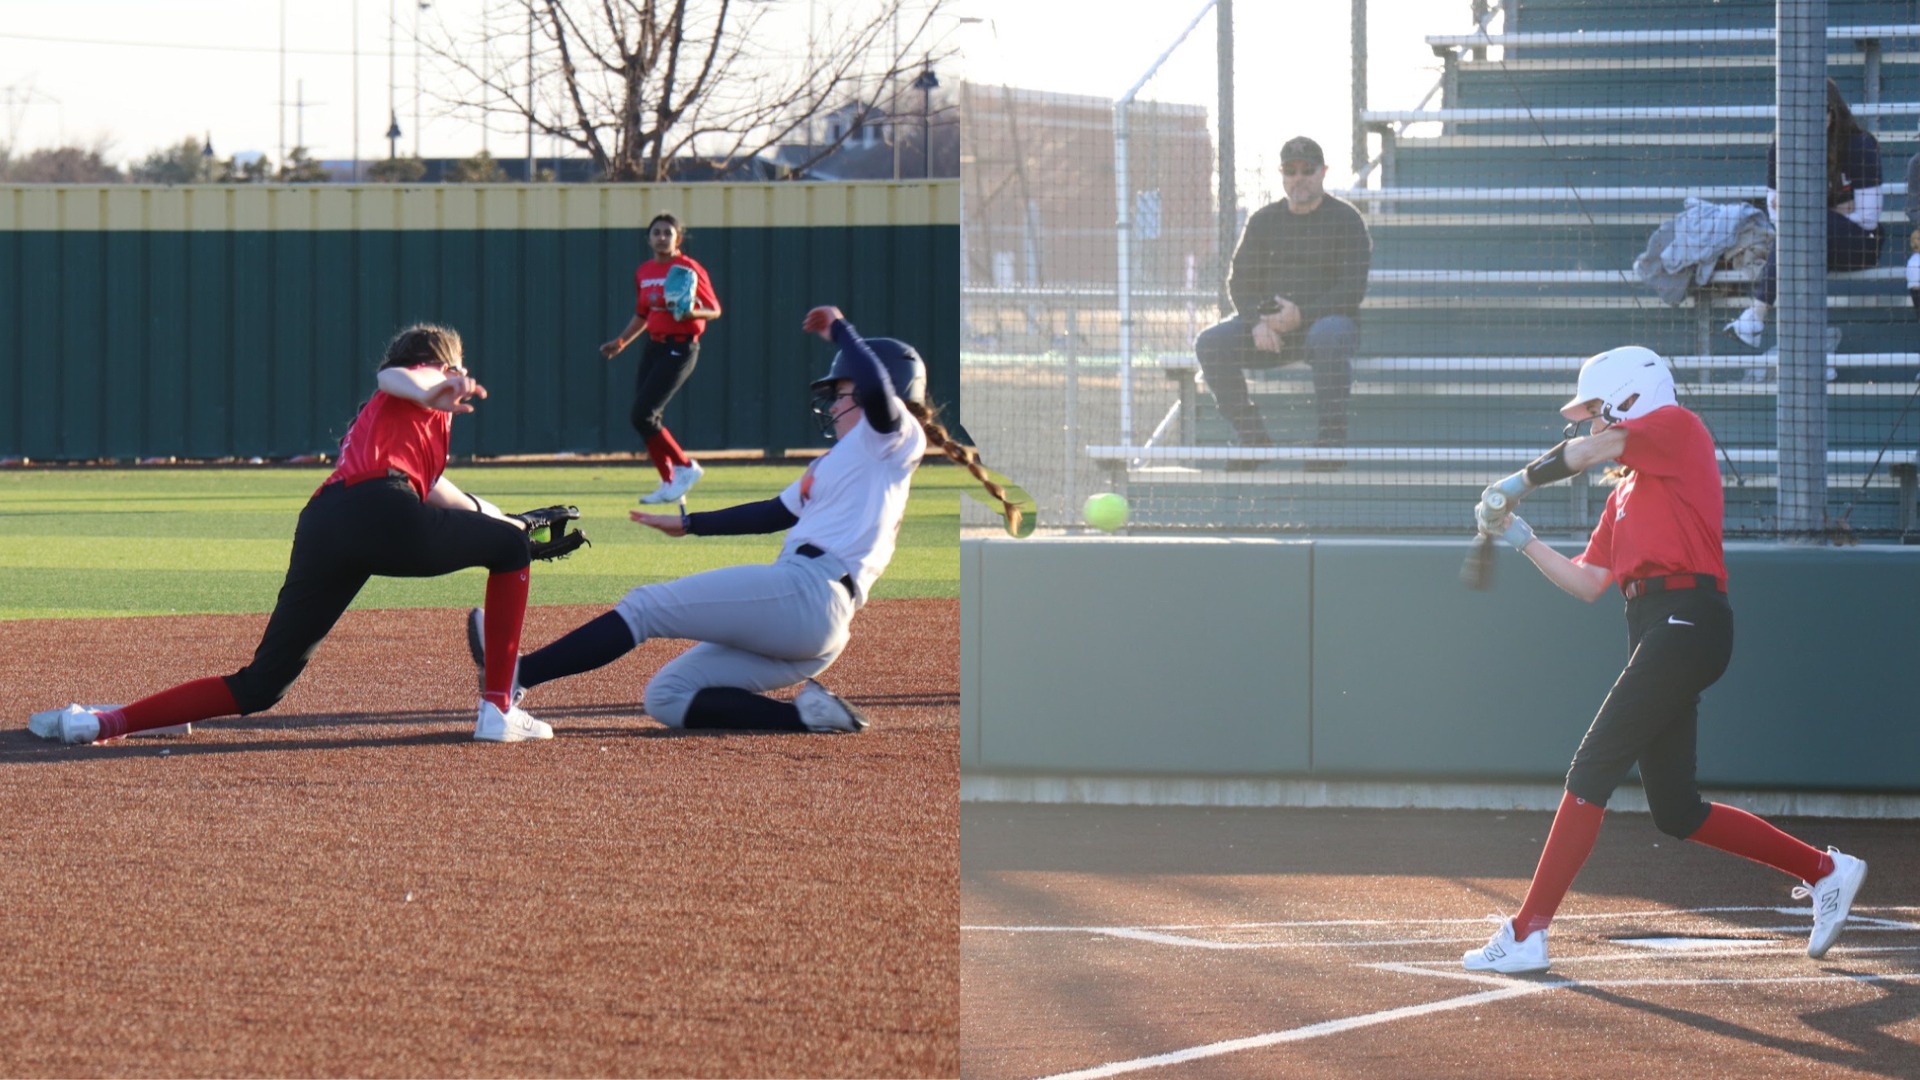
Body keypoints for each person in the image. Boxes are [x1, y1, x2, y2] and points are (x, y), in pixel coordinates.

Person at [1459, 345, 1868, 974]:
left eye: (1597, 409)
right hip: (1656, 627)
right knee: (1677, 810)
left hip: (1689, 620)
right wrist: (1522, 538)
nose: (1591, 423)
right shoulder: (1624, 494)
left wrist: (1517, 482)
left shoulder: (1677, 429)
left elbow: (1592, 450)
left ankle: (1527, 930)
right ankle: (1826, 870)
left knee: (1593, 764)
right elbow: (1590, 581)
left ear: (1630, 397)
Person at [466, 305, 1022, 735]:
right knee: (668, 696)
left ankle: (516, 674)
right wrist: (691, 525)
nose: (833, 404)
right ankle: (809, 717)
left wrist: (843, 332)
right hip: (814, 622)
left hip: (810, 592)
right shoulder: (839, 461)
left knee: (644, 607)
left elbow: (877, 390)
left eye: (840, 390)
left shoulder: (895, 437)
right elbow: (773, 513)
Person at [28, 324, 552, 745]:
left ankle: (100, 722)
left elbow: (451, 498)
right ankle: (498, 710)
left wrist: (510, 523)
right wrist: (440, 380)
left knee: (261, 686)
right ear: (438, 365)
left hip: (327, 523)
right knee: (507, 550)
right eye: (455, 365)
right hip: (379, 510)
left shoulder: (404, 431)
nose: (462, 374)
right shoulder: (413, 388)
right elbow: (395, 378)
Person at [1193, 135, 1371, 470]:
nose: (1299, 177)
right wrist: (1256, 321)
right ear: (1283, 174)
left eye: (1307, 169)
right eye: (1291, 171)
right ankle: (1253, 438)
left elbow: (1352, 289)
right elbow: (1239, 281)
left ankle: (1331, 443)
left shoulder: (1346, 220)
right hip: (1270, 330)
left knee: (1329, 335)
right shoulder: (1263, 220)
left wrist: (1301, 315)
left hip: (1327, 327)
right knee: (1210, 342)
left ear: (1323, 172)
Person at [1725, 79, 1884, 347]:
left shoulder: (1860, 146)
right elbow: (1778, 219)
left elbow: (1868, 218)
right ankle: (1812, 349)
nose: (1808, 123)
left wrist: (1805, 209)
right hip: (1803, 244)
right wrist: (1835, 209)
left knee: (1803, 229)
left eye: (1818, 113)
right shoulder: (1781, 149)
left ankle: (1756, 317)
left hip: (1859, 244)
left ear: (1832, 114)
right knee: (1799, 238)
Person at [601, 212, 723, 503]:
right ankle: (669, 482)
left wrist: (691, 312)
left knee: (643, 414)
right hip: (654, 347)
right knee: (646, 418)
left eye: (667, 232)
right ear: (649, 238)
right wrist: (621, 342)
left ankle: (684, 467)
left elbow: (714, 309)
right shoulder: (644, 271)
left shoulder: (688, 268)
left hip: (681, 347)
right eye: (656, 232)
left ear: (678, 238)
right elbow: (643, 315)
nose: (661, 237)